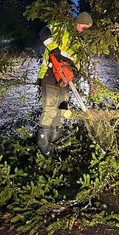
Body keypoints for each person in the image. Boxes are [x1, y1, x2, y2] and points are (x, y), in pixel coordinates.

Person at [37, 11, 93, 157]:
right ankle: (43, 141)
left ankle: (56, 138)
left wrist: (72, 69)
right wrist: (54, 49)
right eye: (83, 27)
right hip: (50, 73)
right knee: (50, 106)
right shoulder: (61, 28)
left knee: (62, 107)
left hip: (65, 78)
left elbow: (78, 64)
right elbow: (44, 32)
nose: (84, 31)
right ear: (77, 22)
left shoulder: (79, 43)